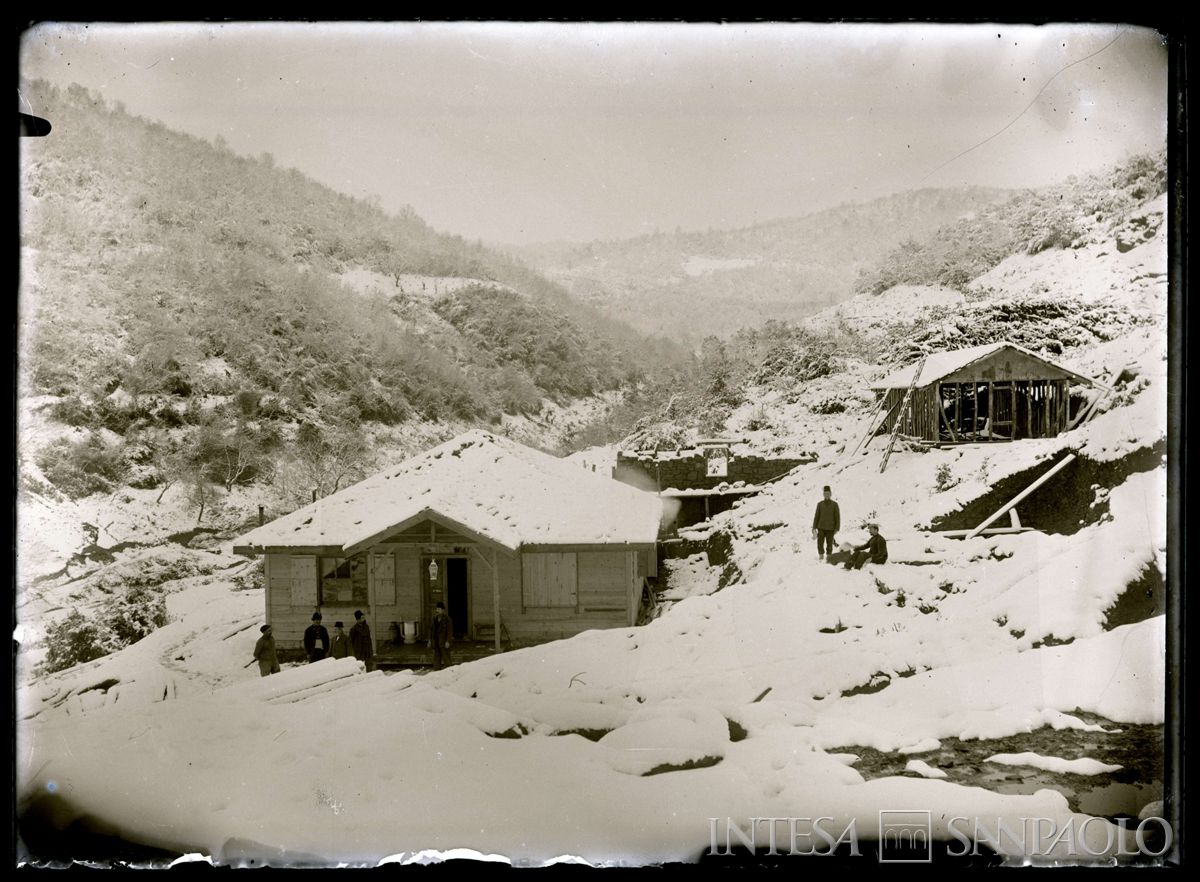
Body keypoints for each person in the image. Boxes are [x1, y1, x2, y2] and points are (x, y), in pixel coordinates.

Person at [811, 485, 841, 561]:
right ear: (823, 494)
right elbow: (816, 516)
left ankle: (829, 557)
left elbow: (837, 517)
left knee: (829, 543)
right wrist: (814, 528)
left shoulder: (835, 504)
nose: (827, 495)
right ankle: (821, 556)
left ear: (831, 494)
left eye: (828, 493)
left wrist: (837, 528)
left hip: (831, 528)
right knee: (820, 543)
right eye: (825, 493)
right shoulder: (820, 504)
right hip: (821, 527)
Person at [429, 602, 453, 670]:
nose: (437, 611)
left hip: (444, 641)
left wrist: (448, 641)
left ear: (443, 610)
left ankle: (449, 670)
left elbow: (450, 631)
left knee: (446, 657)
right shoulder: (434, 618)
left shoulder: (447, 619)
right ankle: (437, 671)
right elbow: (431, 630)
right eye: (437, 609)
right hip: (436, 641)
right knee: (436, 657)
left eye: (439, 609)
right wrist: (430, 640)